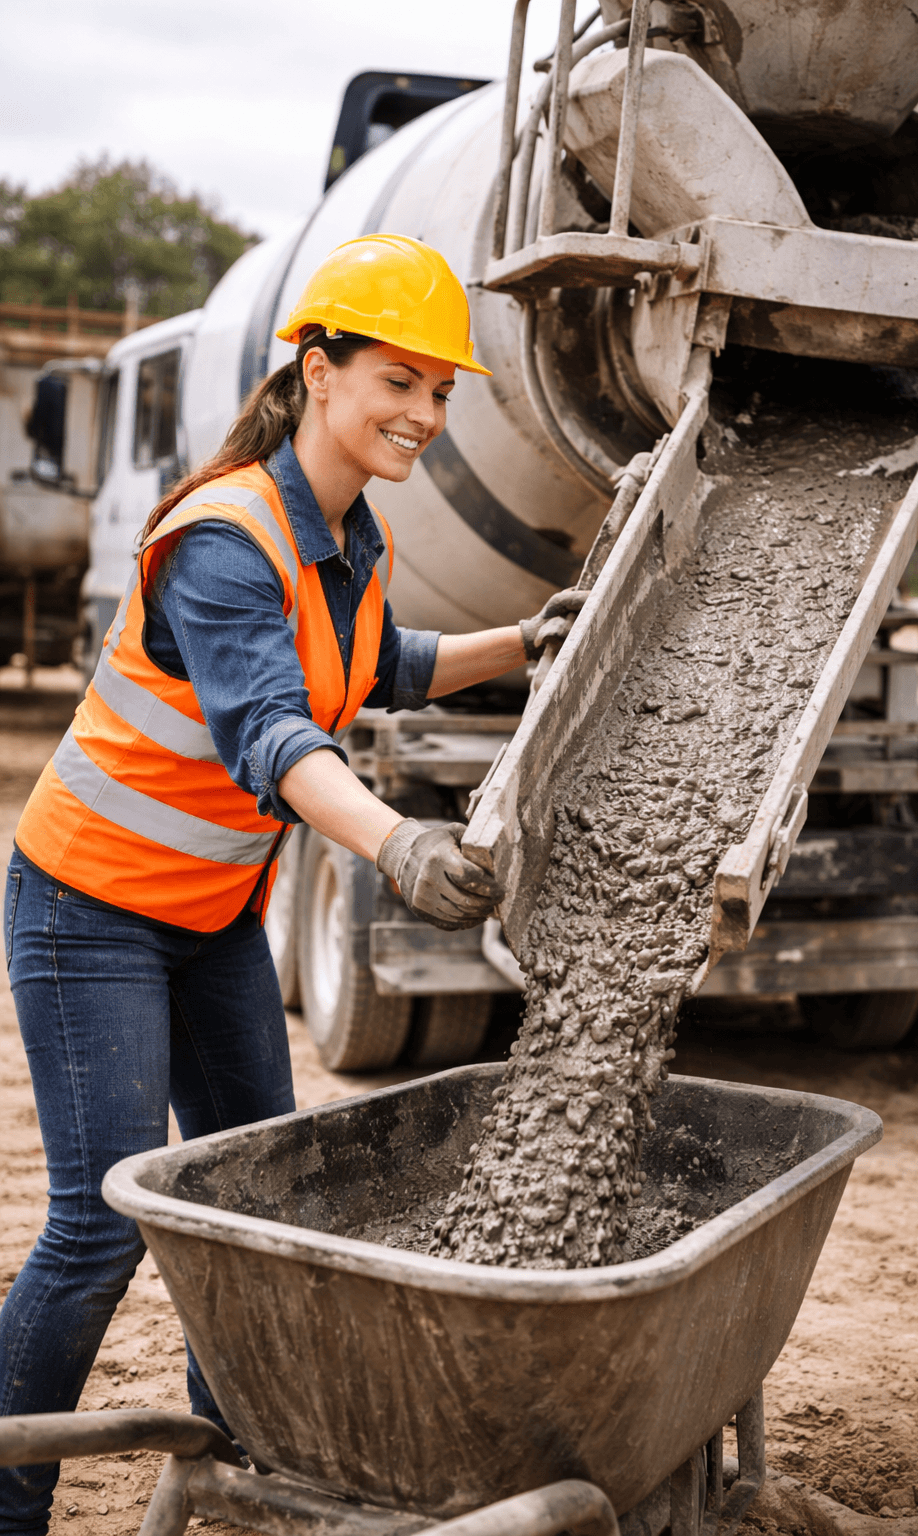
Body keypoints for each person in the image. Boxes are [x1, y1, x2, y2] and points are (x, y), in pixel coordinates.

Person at [0, 234, 584, 1534]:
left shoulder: (351, 535)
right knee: (100, 1228)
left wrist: (528, 638)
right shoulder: (226, 538)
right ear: (318, 372)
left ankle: (239, 1470)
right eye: (398, 381)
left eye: (442, 390)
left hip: (207, 920)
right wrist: (401, 844)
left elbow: (378, 664)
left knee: (260, 1201)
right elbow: (273, 732)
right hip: (88, 912)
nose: (425, 413)